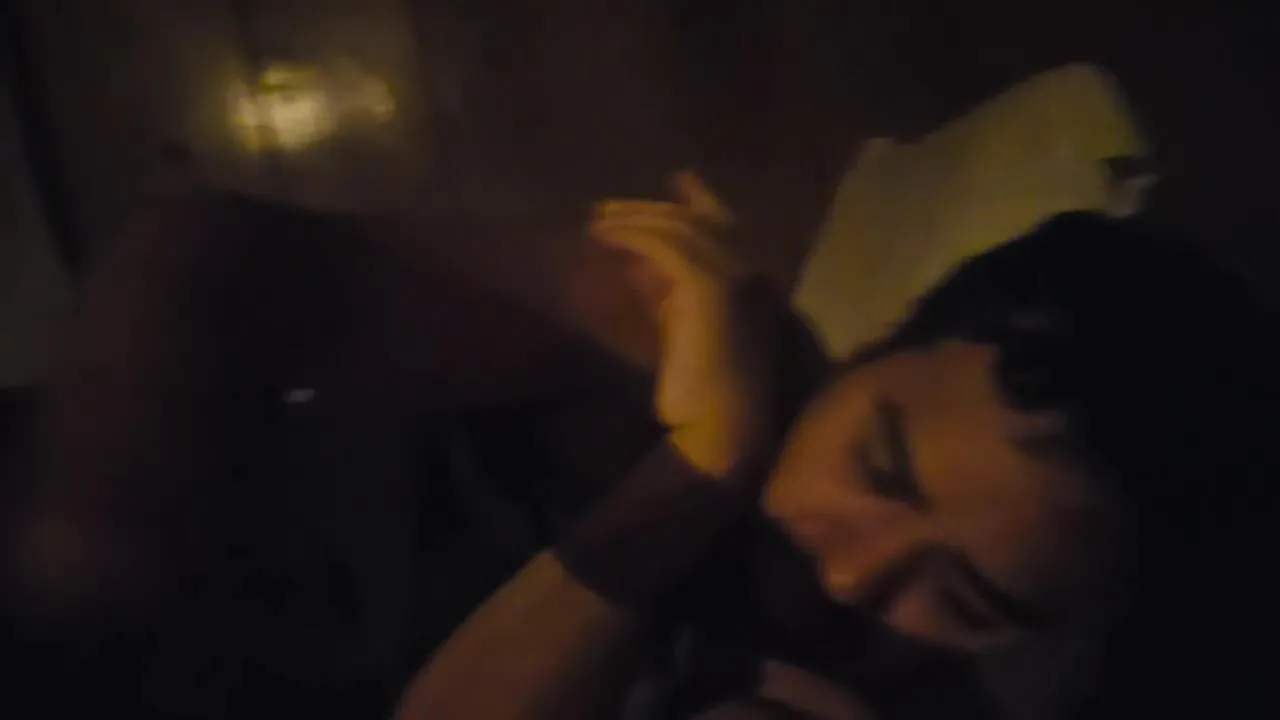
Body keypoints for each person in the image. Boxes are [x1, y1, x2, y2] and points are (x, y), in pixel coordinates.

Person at [395, 172, 1278, 719]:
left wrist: (702, 468)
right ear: (872, 350)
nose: (854, 577)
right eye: (876, 466)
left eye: (963, 601)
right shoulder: (671, 359)